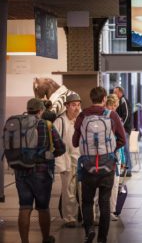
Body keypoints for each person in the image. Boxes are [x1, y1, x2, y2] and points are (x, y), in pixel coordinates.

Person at [73, 87, 126, 243]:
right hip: (107, 166)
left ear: (91, 98)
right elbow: (122, 139)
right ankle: (102, 238)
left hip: (88, 166)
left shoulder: (82, 116)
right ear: (104, 99)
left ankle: (89, 230)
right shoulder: (112, 115)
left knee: (87, 201)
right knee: (104, 202)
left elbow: (75, 142)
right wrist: (109, 151)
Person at [14, 98, 66, 243]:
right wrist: (49, 156)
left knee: (24, 207)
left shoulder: (17, 125)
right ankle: (45, 238)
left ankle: (24, 241)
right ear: (41, 110)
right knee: (43, 207)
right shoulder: (47, 125)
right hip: (42, 171)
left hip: (21, 170)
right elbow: (61, 148)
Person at [54, 93, 82, 228]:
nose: (76, 108)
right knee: (69, 191)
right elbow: (54, 142)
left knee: (84, 191)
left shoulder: (82, 119)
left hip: (82, 161)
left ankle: (88, 216)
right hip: (67, 161)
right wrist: (59, 163)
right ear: (66, 106)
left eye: (78, 105)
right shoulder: (60, 121)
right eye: (73, 105)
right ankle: (69, 218)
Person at [105, 94, 124, 221]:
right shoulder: (113, 116)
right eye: (114, 106)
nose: (115, 109)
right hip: (114, 154)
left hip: (104, 154)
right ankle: (110, 211)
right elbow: (121, 140)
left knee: (106, 184)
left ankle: (102, 211)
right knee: (113, 184)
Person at [113, 87, 133, 177]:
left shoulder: (123, 100)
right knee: (122, 150)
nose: (114, 94)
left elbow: (127, 115)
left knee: (125, 149)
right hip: (122, 129)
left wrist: (120, 127)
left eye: (115, 92)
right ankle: (123, 168)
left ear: (120, 92)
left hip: (124, 129)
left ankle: (128, 168)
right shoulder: (120, 101)